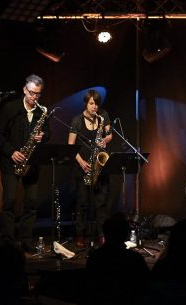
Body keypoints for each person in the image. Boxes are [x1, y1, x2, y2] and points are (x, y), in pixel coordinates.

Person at [0, 74, 50, 253]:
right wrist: (11, 152)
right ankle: (9, 241)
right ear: (24, 90)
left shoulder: (42, 111)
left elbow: (48, 133)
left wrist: (43, 136)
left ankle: (26, 240)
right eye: (32, 93)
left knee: (31, 203)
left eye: (38, 94)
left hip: (32, 163)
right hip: (11, 161)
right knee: (9, 201)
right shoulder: (11, 108)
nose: (34, 98)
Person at [68, 89, 112, 248]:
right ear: (86, 103)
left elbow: (109, 134)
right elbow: (70, 146)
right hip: (83, 167)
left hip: (99, 168)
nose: (95, 107)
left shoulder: (102, 116)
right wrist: (81, 162)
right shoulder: (77, 121)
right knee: (83, 204)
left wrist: (105, 140)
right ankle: (81, 234)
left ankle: (102, 234)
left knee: (101, 204)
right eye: (92, 103)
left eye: (97, 104)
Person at [86, 212, 151, 305]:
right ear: (127, 233)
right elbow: (146, 287)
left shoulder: (94, 258)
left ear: (104, 232)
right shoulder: (135, 259)